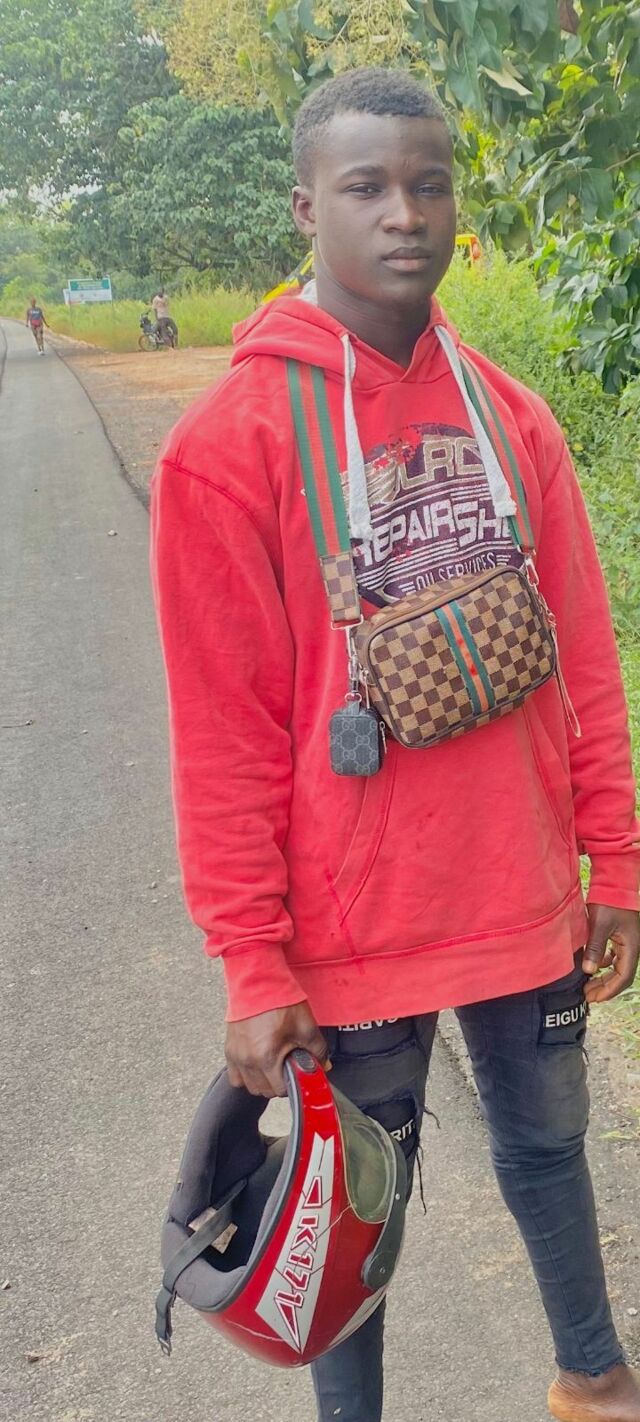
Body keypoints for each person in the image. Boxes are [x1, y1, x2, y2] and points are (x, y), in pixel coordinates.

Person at [150, 67, 640, 1422]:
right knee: (350, 1205)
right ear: (305, 206)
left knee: (551, 1149)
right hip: (352, 923)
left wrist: (616, 860)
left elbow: (586, 662)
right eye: (366, 186)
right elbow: (224, 738)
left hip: (521, 890)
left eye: (429, 184)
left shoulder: (512, 418)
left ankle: (596, 1380)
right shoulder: (228, 446)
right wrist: (253, 958)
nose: (404, 214)